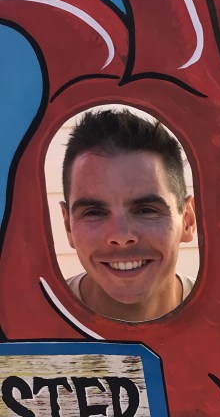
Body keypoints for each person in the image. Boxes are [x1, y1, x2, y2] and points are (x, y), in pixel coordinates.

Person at [60, 108, 196, 321]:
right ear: (68, 227)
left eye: (146, 210)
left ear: (187, 220)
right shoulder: (19, 329)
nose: (121, 236)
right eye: (94, 212)